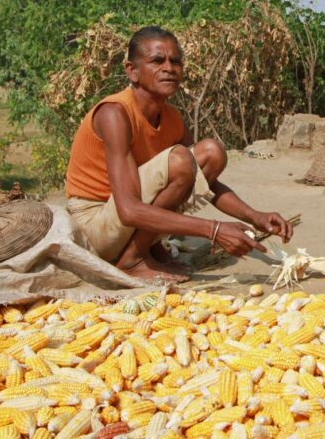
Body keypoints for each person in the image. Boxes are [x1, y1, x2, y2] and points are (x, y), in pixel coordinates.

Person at [65, 26, 293, 283]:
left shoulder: (171, 118)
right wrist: (214, 230)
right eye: (156, 61)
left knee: (211, 153)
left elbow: (203, 182)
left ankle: (146, 247)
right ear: (132, 71)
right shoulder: (114, 114)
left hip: (127, 220)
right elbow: (128, 210)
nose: (169, 68)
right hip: (95, 227)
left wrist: (255, 216)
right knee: (182, 160)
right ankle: (133, 259)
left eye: (175, 61)